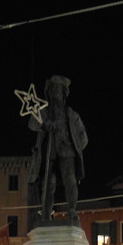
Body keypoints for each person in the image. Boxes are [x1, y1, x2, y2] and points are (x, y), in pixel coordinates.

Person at [28, 75, 88, 222]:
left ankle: (72, 210)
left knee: (70, 180)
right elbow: (32, 123)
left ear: (63, 93)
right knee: (49, 184)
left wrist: (75, 147)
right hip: (49, 153)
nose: (53, 93)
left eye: (56, 90)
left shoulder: (72, 115)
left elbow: (83, 137)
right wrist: (44, 125)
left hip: (67, 152)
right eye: (51, 90)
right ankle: (46, 215)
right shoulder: (43, 112)